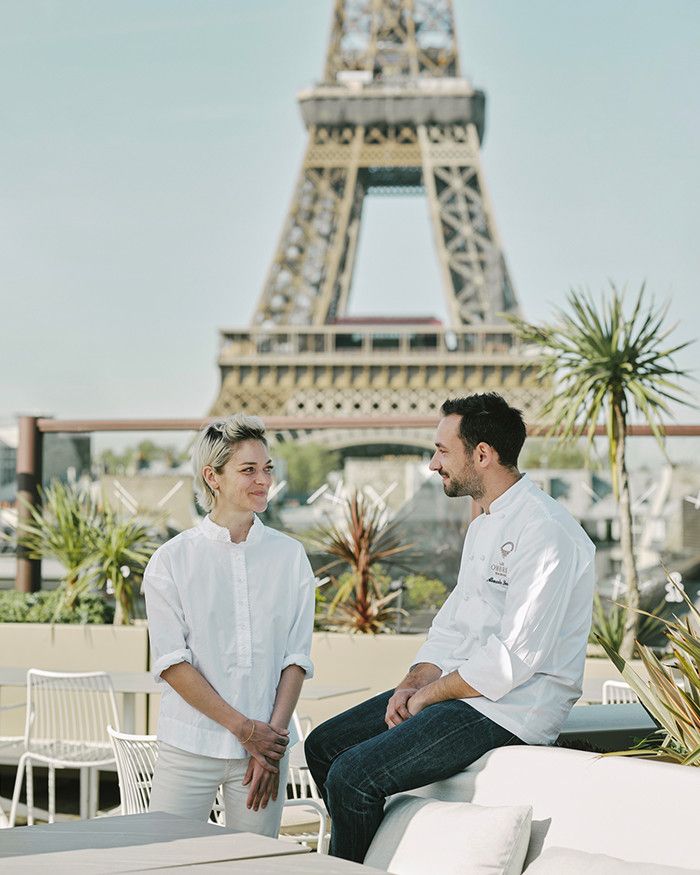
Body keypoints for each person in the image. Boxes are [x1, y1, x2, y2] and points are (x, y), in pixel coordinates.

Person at [305, 392, 596, 862]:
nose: (431, 463)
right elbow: (456, 621)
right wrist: (414, 680)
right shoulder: (485, 522)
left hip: (512, 708)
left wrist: (427, 696)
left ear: (482, 455)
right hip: (463, 691)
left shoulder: (547, 532)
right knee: (323, 746)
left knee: (353, 775)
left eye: (442, 450)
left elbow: (511, 660)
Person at [143, 414, 316, 836]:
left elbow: (295, 659)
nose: (263, 480)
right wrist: (246, 731)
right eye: (248, 470)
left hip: (261, 756)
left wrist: (270, 744)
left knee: (255, 865)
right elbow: (172, 664)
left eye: (267, 468)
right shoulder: (170, 561)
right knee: (167, 863)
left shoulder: (291, 557)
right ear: (213, 477)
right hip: (190, 747)